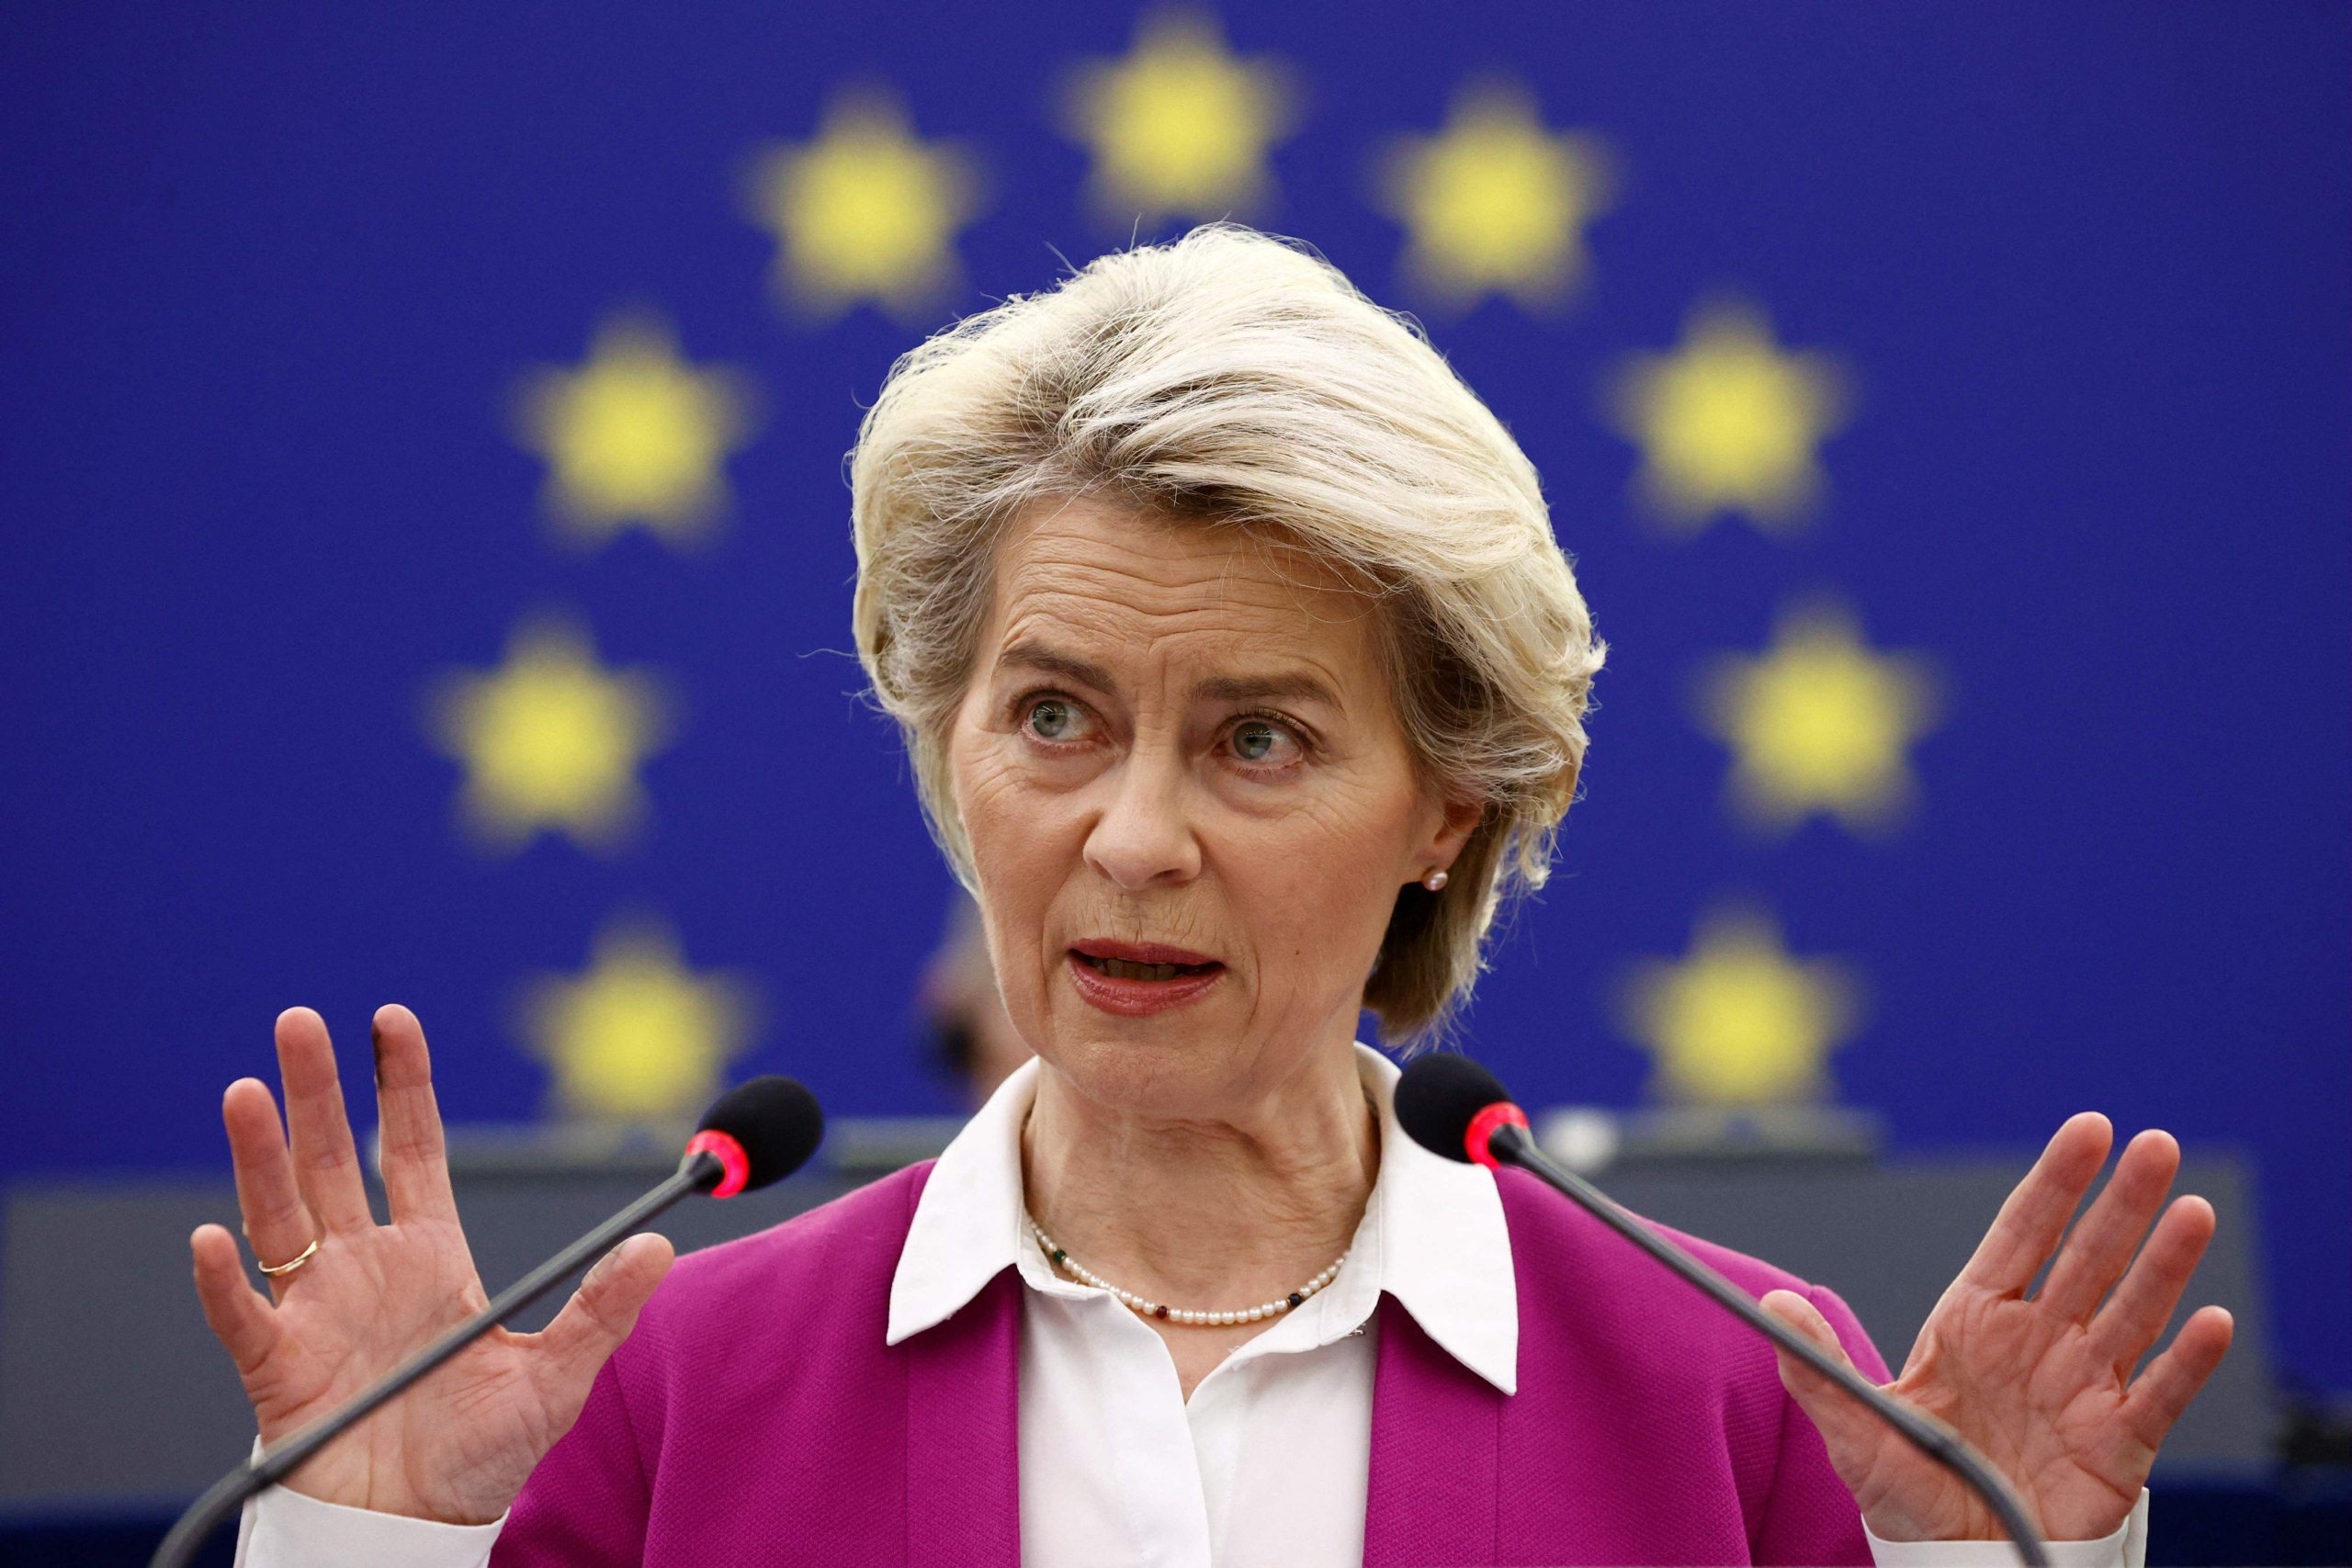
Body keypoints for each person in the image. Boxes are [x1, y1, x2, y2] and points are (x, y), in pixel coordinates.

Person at [194, 223, 2231, 1566]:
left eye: (1257, 737)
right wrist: (376, 1538)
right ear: (949, 745)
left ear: (1448, 805)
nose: (1133, 836)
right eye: (1053, 715)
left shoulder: (1723, 1380)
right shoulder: (690, 1383)